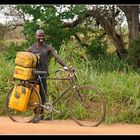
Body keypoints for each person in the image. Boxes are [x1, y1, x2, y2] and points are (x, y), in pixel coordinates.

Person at [27, 29, 69, 123]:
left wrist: (65, 67)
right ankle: (36, 115)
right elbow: (26, 60)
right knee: (35, 95)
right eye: (39, 36)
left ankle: (41, 115)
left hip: (43, 74)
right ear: (36, 37)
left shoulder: (48, 48)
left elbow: (57, 58)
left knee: (43, 95)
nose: (41, 38)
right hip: (34, 75)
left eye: (43, 36)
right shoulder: (31, 48)